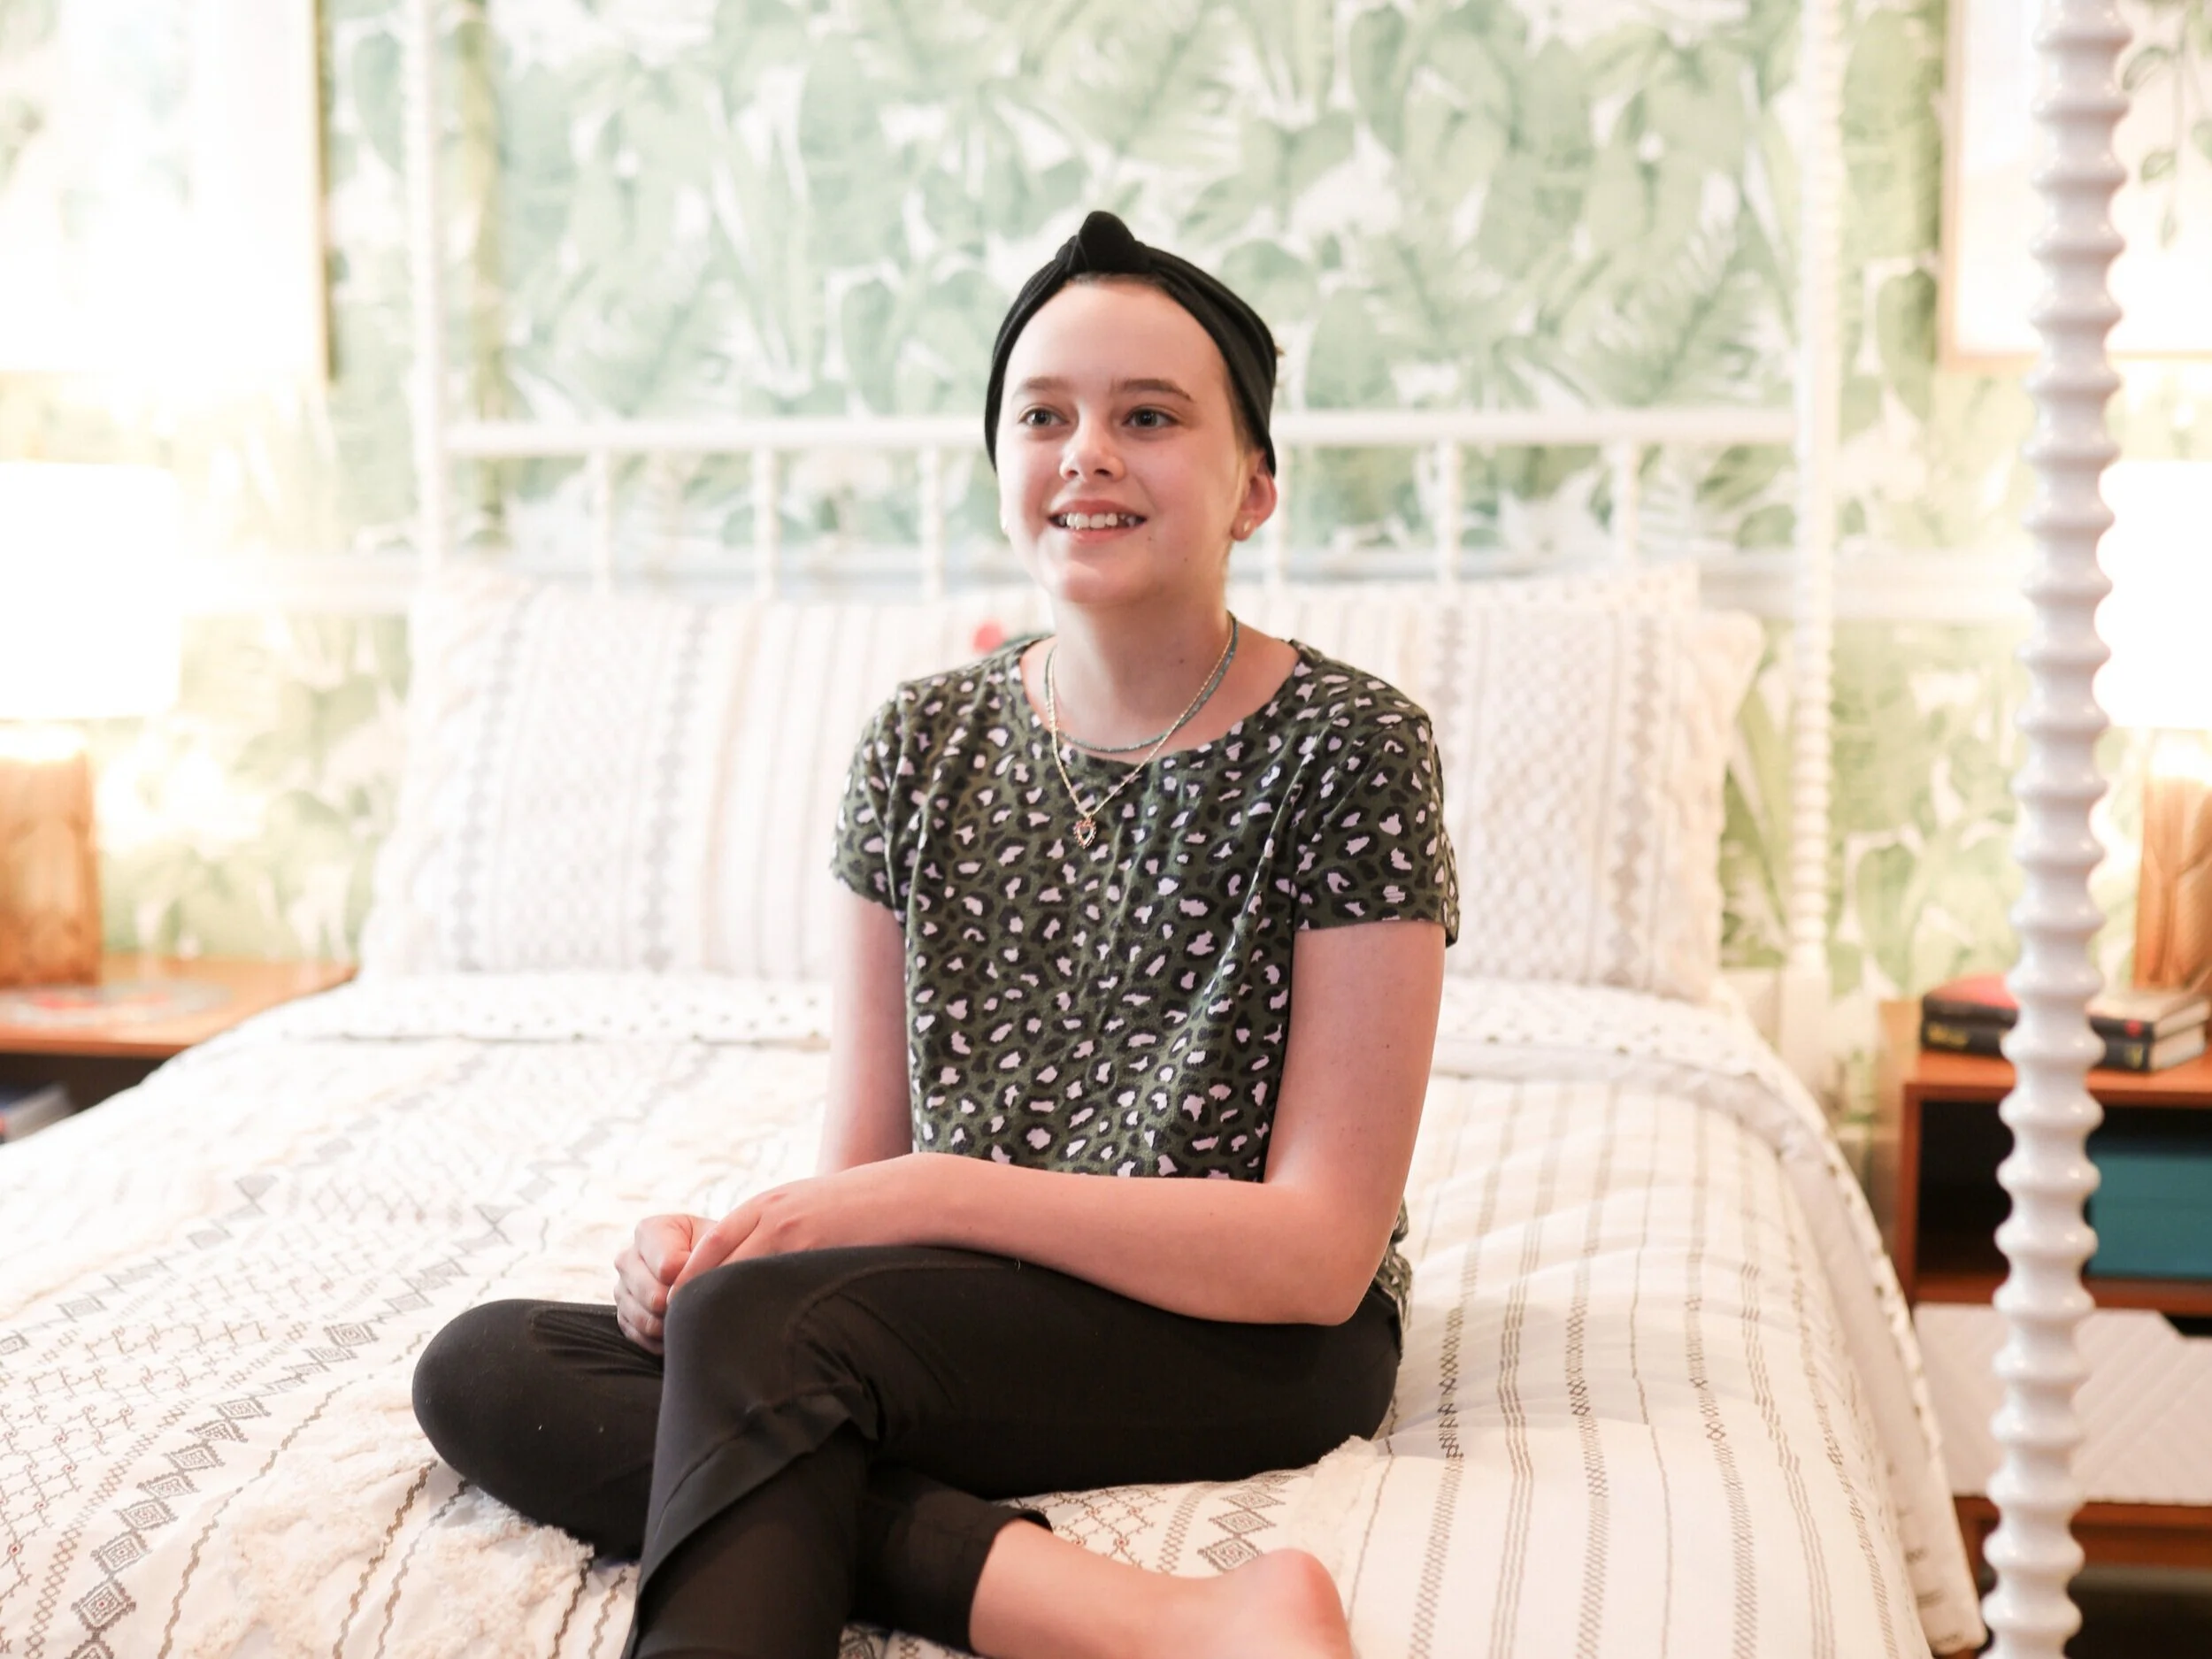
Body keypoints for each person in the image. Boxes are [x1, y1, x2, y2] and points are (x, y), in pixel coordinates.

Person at [411, 210, 1460, 1659]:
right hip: (958, 1315)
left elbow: (1316, 1254)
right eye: (1045, 415)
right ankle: (1165, 1623)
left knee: (771, 1346)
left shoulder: (1348, 746)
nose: (1087, 450)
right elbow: (862, 1174)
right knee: (491, 1364)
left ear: (1254, 485)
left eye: (1148, 415)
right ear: (1005, 466)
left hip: (1254, 1337)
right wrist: (716, 1254)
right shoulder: (918, 742)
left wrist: (939, 1195)